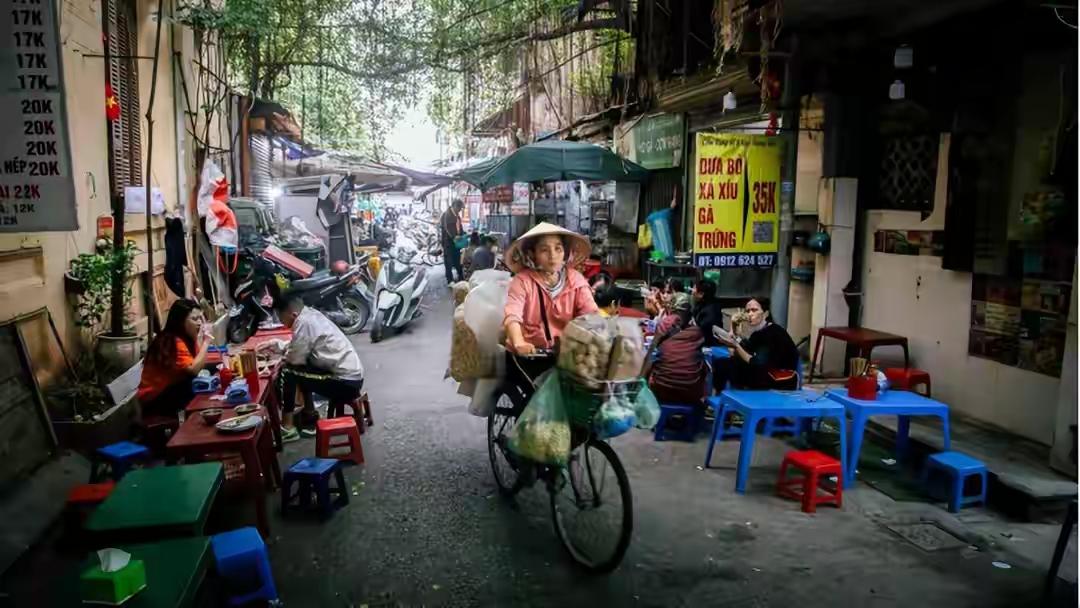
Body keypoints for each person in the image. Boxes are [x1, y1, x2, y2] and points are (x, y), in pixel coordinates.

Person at [273, 295, 366, 442]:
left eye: (280, 317)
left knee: (287, 371)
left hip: (344, 382)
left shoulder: (304, 323)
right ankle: (310, 417)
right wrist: (278, 346)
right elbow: (301, 347)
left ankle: (287, 428)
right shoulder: (310, 315)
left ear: (292, 314)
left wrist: (281, 356)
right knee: (302, 368)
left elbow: (295, 358)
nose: (280, 321)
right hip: (351, 377)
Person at [503, 222, 598, 357]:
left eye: (558, 249)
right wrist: (519, 342)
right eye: (544, 250)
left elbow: (591, 315)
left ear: (565, 253)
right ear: (532, 254)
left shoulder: (576, 281)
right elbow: (512, 314)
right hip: (527, 356)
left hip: (565, 355)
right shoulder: (522, 281)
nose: (552, 255)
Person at [137, 299, 211, 417]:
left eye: (200, 319)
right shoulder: (172, 341)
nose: (199, 323)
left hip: (168, 391)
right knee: (193, 384)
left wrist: (199, 338)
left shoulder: (186, 338)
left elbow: (198, 361)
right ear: (181, 321)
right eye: (194, 319)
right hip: (153, 400)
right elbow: (194, 369)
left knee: (208, 373)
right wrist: (207, 342)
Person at [711, 297, 800, 391]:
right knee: (724, 363)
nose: (750, 314)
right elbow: (739, 351)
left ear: (765, 314)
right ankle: (723, 396)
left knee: (729, 367)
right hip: (764, 371)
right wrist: (733, 326)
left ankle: (733, 396)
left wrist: (736, 345)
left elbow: (756, 362)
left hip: (778, 377)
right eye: (747, 311)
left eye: (754, 310)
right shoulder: (758, 333)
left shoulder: (773, 333)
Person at [643, 297, 707, 406]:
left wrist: (641, 379)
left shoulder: (666, 323)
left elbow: (651, 352)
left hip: (663, 388)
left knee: (651, 362)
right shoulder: (696, 331)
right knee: (703, 365)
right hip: (690, 390)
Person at [692, 279, 724, 346]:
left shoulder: (710, 311)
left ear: (701, 294)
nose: (692, 291)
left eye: (694, 288)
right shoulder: (703, 304)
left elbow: (702, 331)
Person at [440, 199, 465, 284]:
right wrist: (455, 237)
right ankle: (450, 280)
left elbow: (459, 226)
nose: (460, 210)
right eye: (459, 208)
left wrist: (462, 234)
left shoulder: (456, 215)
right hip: (448, 243)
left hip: (456, 242)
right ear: (454, 206)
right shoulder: (447, 215)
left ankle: (460, 277)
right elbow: (448, 228)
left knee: (458, 260)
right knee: (449, 262)